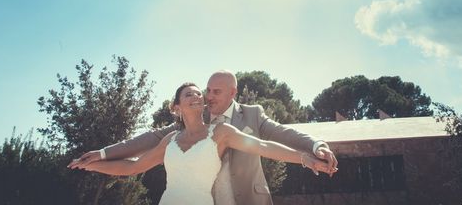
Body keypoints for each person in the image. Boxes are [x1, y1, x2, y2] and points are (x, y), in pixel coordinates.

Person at [69, 70, 338, 205]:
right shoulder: (172, 138)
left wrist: (310, 154)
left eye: (211, 92)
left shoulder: (229, 128)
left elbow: (270, 142)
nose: (205, 97)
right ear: (177, 106)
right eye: (199, 92)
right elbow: (134, 164)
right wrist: (95, 161)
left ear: (232, 93)